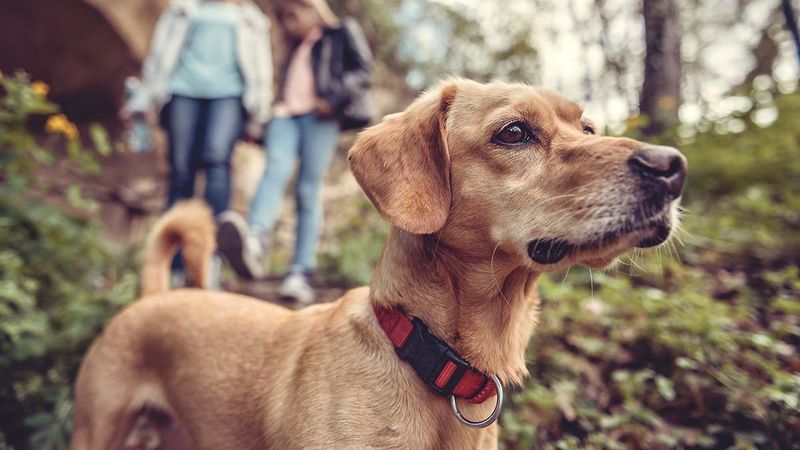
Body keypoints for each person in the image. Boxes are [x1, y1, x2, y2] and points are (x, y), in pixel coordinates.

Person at [217, 0, 372, 303]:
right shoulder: (294, 48)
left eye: (293, 15)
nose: (290, 24)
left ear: (313, 7)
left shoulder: (342, 33)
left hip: (321, 117)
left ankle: (300, 271)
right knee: (274, 169)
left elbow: (363, 70)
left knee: (307, 189)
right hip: (285, 116)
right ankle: (255, 242)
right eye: (285, 18)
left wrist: (334, 99)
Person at [122, 0, 273, 287]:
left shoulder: (250, 17)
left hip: (229, 95)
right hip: (182, 91)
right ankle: (174, 264)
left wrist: (260, 111)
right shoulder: (182, 9)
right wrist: (145, 98)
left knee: (217, 162)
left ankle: (209, 258)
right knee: (181, 171)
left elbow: (261, 66)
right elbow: (158, 57)